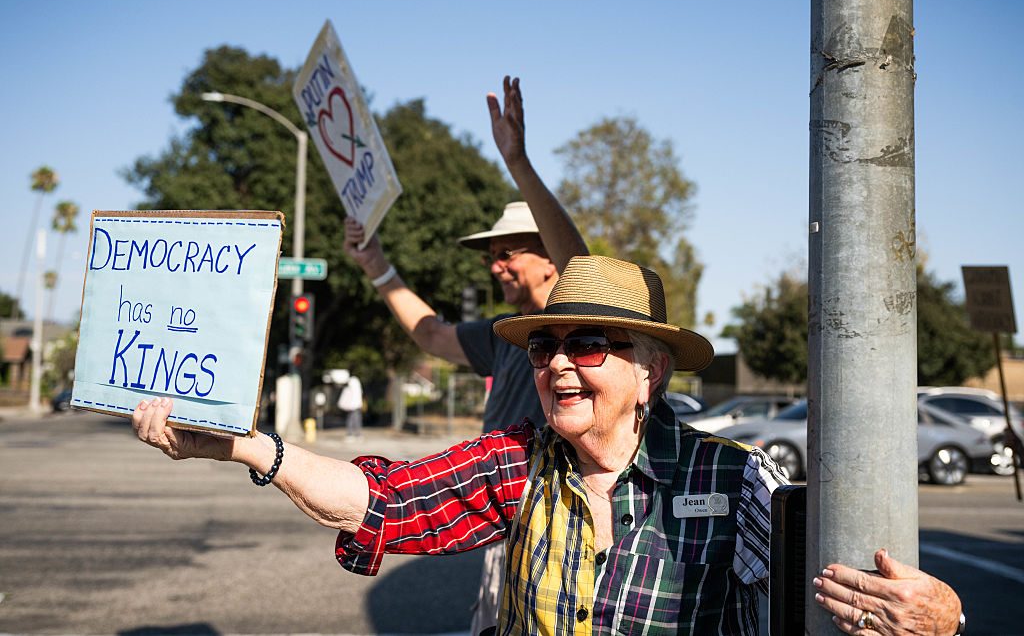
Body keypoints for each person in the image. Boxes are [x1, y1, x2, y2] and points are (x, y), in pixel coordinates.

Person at [132, 255, 964, 635]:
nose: (559, 361)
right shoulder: (516, 461)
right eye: (544, 345)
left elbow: (828, 602)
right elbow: (380, 499)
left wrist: (944, 618)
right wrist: (246, 446)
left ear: (651, 373)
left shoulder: (735, 477)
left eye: (589, 343)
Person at [343, 76, 587, 634]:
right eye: (491, 257)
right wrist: (376, 266)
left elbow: (578, 264)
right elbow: (431, 335)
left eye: (508, 254)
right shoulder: (504, 332)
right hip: (507, 523)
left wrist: (517, 162)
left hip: (560, 518)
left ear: (549, 258)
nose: (495, 265)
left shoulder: (579, 319)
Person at [336, 373, 363, 440]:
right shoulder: (354, 387)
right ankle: (353, 434)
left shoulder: (352, 387)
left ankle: (354, 434)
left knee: (353, 419)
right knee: (354, 419)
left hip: (354, 406)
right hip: (354, 406)